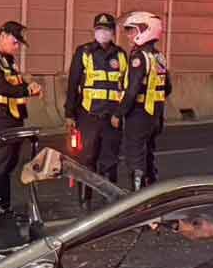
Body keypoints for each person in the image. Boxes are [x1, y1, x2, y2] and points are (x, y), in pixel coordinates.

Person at [0, 20, 42, 216]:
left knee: (8, 163)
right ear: (3, 36)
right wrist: (25, 90)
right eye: (15, 42)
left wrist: (30, 85)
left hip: (14, 118)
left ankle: (3, 207)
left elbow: (19, 81)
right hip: (0, 119)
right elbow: (0, 87)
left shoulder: (9, 61)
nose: (17, 47)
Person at [65, 13, 127, 207]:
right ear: (94, 31)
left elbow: (126, 86)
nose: (103, 33)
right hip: (88, 116)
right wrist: (69, 114)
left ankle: (111, 202)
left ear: (113, 32)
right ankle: (85, 201)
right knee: (87, 159)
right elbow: (73, 84)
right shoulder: (84, 52)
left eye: (107, 29)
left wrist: (120, 113)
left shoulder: (120, 55)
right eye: (99, 29)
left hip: (112, 118)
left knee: (110, 160)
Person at [115, 11, 172, 191]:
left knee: (135, 157)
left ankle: (136, 196)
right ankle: (151, 192)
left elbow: (132, 91)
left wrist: (118, 113)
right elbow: (167, 88)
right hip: (155, 115)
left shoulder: (139, 57)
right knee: (148, 154)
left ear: (145, 30)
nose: (129, 35)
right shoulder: (158, 56)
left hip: (138, 115)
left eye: (132, 31)